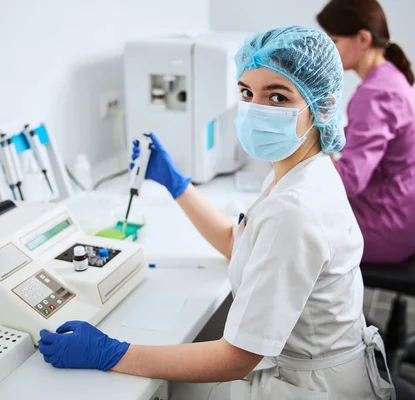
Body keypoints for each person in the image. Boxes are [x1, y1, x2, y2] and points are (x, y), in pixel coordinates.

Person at [38, 26, 393, 399]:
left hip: (312, 388)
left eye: (277, 96)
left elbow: (235, 358)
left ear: (320, 105)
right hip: (313, 369)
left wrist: (110, 353)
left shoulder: (294, 208)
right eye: (246, 93)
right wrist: (177, 185)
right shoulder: (300, 171)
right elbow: (235, 243)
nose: (257, 109)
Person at [317, 0, 415, 264]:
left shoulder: (376, 93)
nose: (328, 52)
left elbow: (350, 182)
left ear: (363, 39)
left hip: (384, 229)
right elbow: (363, 135)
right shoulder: (392, 75)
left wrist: (308, 157)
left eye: (334, 41)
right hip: (402, 219)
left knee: (292, 229)